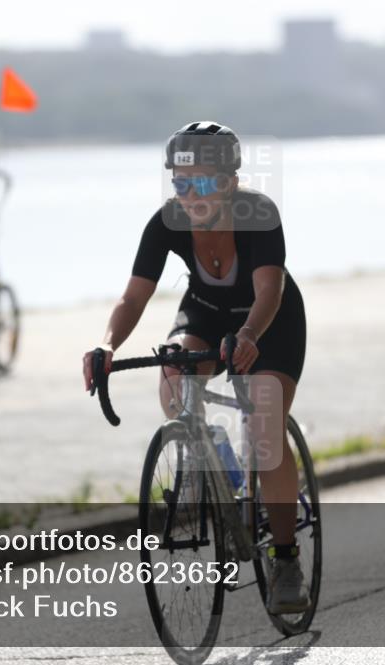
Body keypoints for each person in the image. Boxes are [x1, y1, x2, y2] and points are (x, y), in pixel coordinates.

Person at [82, 121, 309, 614]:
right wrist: (106, 345)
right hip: (205, 313)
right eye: (182, 184)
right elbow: (133, 296)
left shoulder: (258, 214)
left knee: (265, 428)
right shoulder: (166, 221)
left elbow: (269, 291)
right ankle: (215, 458)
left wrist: (248, 336)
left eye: (204, 183)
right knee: (173, 379)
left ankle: (286, 558)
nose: (191, 195)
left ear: (229, 182)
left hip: (267, 321)